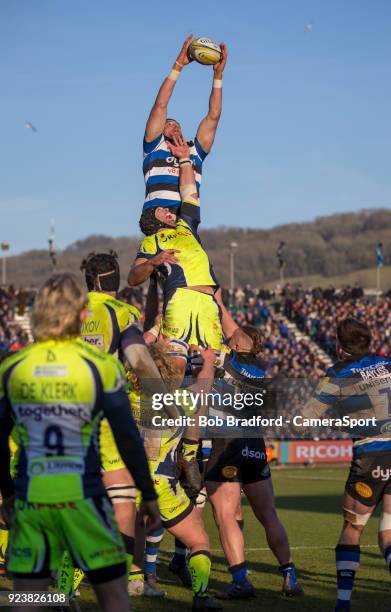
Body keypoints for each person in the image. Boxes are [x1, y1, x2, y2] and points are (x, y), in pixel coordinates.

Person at [0, 274, 160, 612]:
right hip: (83, 501)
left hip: (32, 502)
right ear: (82, 315)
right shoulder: (100, 366)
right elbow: (127, 437)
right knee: (114, 597)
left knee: (26, 599)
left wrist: (9, 493)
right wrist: (148, 493)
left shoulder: (14, 367)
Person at [204, 325, 303, 599]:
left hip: (227, 445)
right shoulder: (260, 368)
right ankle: (289, 575)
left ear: (235, 346)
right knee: (268, 515)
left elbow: (205, 352)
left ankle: (240, 581)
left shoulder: (225, 359)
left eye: (230, 339)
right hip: (255, 445)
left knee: (224, 516)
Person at [301, 317, 391, 612]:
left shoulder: (338, 374)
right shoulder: (387, 364)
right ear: (369, 341)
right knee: (389, 532)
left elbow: (305, 420)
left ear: (340, 347)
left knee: (353, 528)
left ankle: (342, 604)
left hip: (371, 454)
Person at [129, 138, 223, 374]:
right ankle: (160, 409)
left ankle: (202, 411)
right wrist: (152, 262)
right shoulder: (152, 242)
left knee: (213, 367)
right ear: (155, 219)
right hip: (180, 301)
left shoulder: (186, 226)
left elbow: (190, 193)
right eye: (164, 210)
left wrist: (184, 158)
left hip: (208, 304)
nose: (170, 211)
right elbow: (132, 277)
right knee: (176, 366)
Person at [141, 35, 227, 214]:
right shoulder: (155, 146)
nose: (175, 126)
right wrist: (178, 65)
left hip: (187, 218)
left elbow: (214, 116)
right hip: (157, 216)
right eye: (169, 123)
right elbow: (160, 105)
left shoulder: (195, 150)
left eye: (177, 124)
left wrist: (218, 76)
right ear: (160, 130)